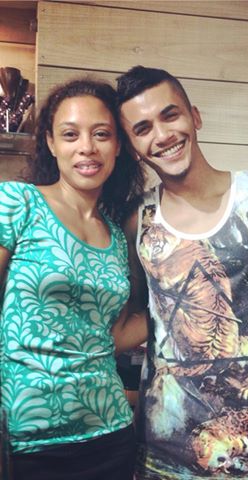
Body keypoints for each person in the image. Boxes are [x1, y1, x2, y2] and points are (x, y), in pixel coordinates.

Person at [114, 66, 248, 480]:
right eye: (143, 128)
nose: (162, 135)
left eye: (170, 115)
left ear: (195, 116)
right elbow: (139, 317)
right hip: (162, 454)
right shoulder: (138, 220)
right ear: (133, 147)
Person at [0, 78, 144, 480]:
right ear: (50, 142)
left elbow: (112, 335)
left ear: (118, 145)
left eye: (101, 134)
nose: (87, 147)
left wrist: (179, 307)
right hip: (27, 440)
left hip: (111, 432)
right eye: (70, 134)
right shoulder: (17, 203)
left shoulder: (117, 236)